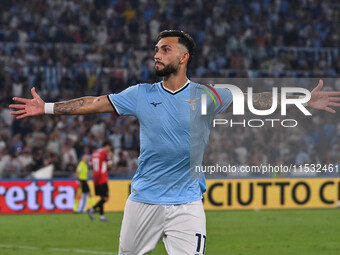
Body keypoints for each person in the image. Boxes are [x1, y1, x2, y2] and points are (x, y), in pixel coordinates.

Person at [9, 30, 340, 254]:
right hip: (144, 201)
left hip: (187, 205)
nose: (157, 54)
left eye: (164, 49)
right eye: (156, 49)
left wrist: (302, 100)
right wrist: (48, 107)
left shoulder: (208, 95)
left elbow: (257, 100)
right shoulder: (140, 94)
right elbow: (94, 102)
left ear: (183, 58)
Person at [87, 140, 113, 222]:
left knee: (102, 197)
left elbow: (90, 165)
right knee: (106, 198)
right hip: (102, 178)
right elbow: (110, 165)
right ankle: (92, 209)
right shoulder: (104, 154)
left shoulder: (94, 153)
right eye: (109, 148)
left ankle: (102, 216)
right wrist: (110, 158)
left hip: (95, 178)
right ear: (106, 146)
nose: (109, 149)